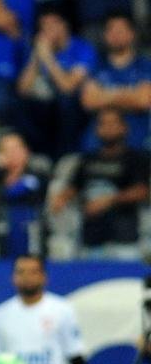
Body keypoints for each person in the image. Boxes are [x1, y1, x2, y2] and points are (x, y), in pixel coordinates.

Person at [50, 109, 150, 260]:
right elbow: (74, 186)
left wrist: (109, 201)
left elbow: (142, 190)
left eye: (113, 123)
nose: (108, 128)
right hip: (91, 239)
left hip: (124, 239)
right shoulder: (87, 160)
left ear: (124, 127)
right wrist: (61, 198)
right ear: (96, 129)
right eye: (103, 124)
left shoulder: (136, 159)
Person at [15, 5, 95, 158]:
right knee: (21, 105)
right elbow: (22, 89)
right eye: (43, 25)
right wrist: (36, 57)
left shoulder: (82, 48)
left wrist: (47, 57)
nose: (47, 29)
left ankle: (67, 156)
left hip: (74, 109)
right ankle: (36, 155)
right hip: (45, 108)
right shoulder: (37, 50)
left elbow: (68, 87)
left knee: (65, 102)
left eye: (52, 24)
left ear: (64, 25)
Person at [80, 12, 151, 150]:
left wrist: (105, 95)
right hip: (98, 143)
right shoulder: (96, 66)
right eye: (111, 30)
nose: (115, 34)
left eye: (120, 30)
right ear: (105, 35)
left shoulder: (145, 66)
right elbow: (89, 101)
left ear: (132, 34)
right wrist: (130, 95)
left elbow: (144, 100)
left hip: (138, 139)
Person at [0, 132, 48, 258]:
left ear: (26, 151)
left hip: (31, 230)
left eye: (16, 148)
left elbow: (32, 196)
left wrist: (2, 193)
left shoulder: (37, 174)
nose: (12, 154)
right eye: (7, 150)